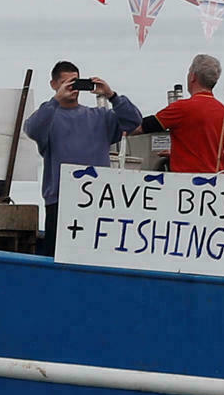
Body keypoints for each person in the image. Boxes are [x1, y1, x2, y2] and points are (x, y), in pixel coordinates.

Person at [22, 61, 145, 255]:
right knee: (57, 255)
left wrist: (112, 95)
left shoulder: (100, 117)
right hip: (60, 200)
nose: (72, 88)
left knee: (97, 255)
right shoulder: (49, 118)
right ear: (54, 84)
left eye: (76, 83)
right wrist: (55, 100)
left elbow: (134, 121)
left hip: (97, 200)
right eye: (66, 83)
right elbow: (31, 128)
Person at [150, 54, 224, 174]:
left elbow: (146, 126)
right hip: (215, 179)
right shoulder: (223, 111)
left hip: (188, 180)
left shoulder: (182, 108)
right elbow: (207, 147)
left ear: (193, 77)